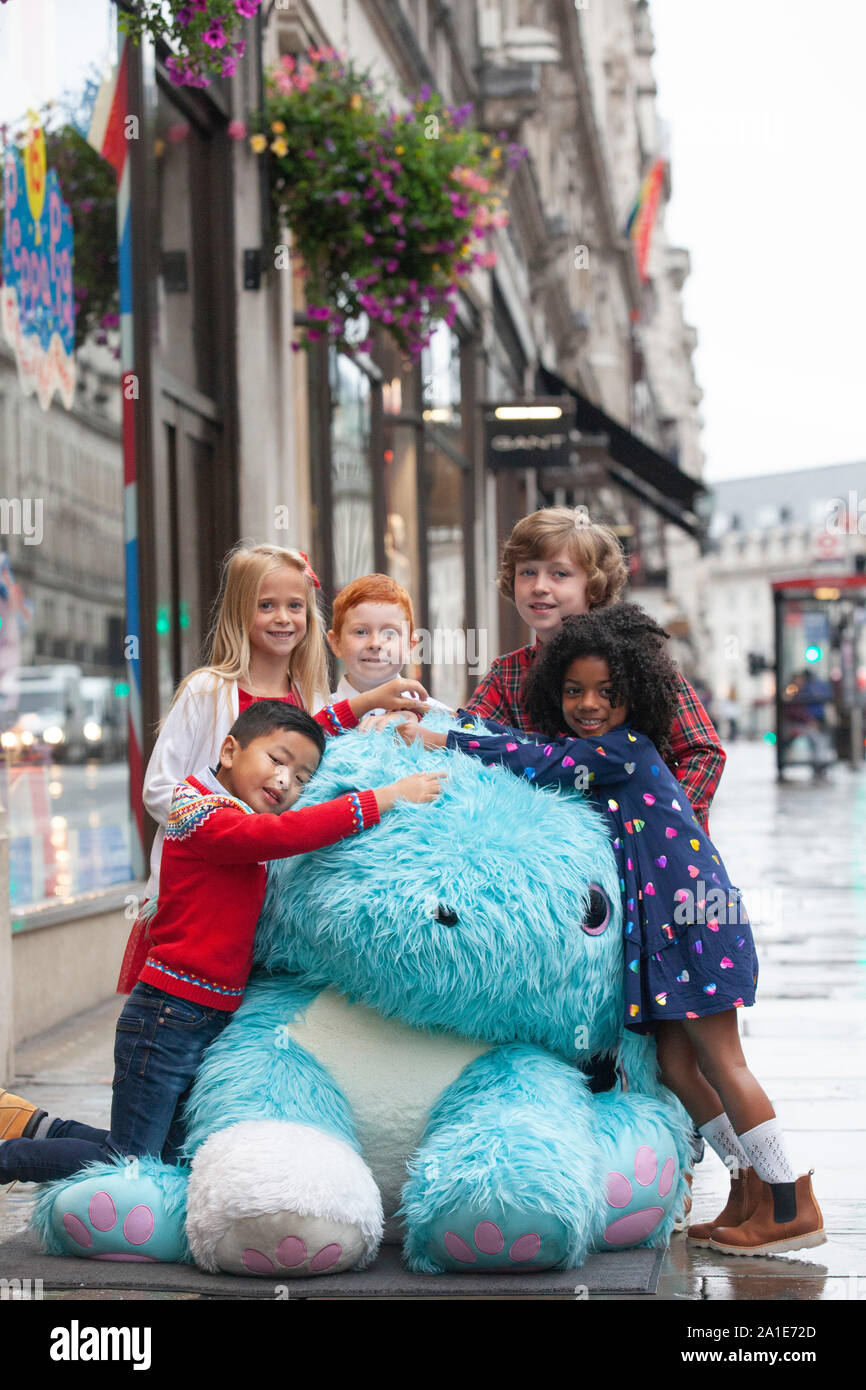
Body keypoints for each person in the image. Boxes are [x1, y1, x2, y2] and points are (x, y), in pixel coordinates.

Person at [400, 604, 824, 1256]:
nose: (588, 703)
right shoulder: (601, 753)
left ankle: (790, 1200)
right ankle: (749, 1189)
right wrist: (457, 721)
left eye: (606, 691)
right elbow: (542, 750)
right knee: (681, 1067)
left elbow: (540, 761)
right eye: (574, 690)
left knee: (722, 1061)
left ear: (637, 695)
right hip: (668, 931)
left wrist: (451, 738)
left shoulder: (627, 750)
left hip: (695, 923)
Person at [0, 701, 446, 1184]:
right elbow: (282, 834)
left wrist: (359, 706)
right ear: (229, 750)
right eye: (277, 762)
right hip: (167, 1016)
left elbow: (296, 736)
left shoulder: (234, 807)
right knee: (128, 1162)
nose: (285, 782)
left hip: (197, 1016)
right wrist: (383, 798)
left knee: (159, 1158)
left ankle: (34, 1126)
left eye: (301, 779)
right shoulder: (201, 814)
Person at [117, 542, 430, 991]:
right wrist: (227, 826)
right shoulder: (208, 691)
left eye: (295, 606)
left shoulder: (312, 697)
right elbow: (158, 789)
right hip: (205, 903)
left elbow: (322, 771)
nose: (283, 618)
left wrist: (379, 710)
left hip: (275, 906)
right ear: (240, 611)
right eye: (267, 605)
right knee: (186, 1024)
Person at [461, 507, 725, 833]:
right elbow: (470, 743)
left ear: (594, 585)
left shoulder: (634, 660)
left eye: (559, 574)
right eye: (527, 572)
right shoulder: (508, 674)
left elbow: (703, 752)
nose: (540, 586)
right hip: (551, 856)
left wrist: (666, 823)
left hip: (644, 856)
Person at [326, 573, 451, 720]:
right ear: (336, 643)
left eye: (389, 633)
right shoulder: (313, 716)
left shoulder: (440, 719)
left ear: (410, 646)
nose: (375, 644)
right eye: (360, 632)